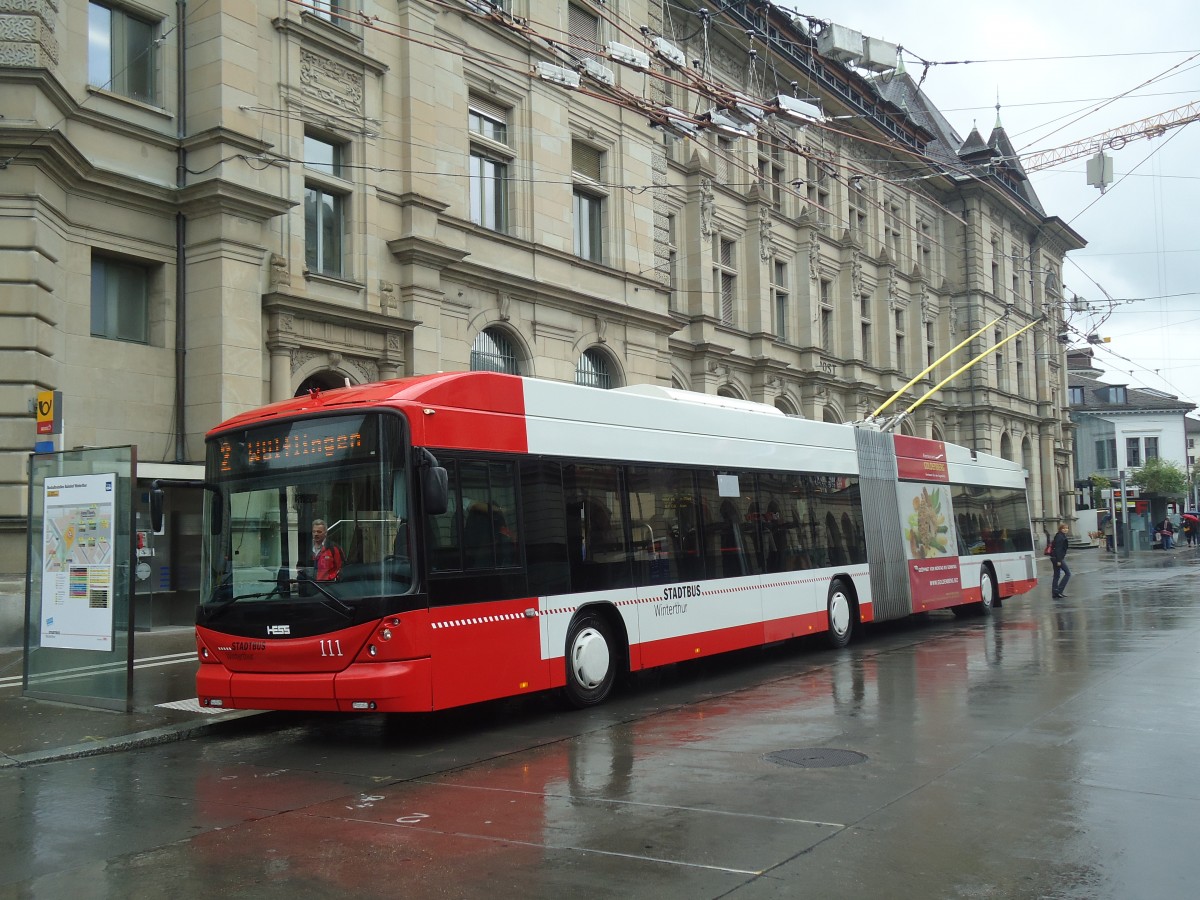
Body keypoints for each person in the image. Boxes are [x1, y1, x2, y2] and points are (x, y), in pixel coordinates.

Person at [1050, 522, 1071, 599]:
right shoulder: (1060, 537)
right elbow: (1058, 549)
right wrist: (1059, 560)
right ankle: (1059, 591)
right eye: (1064, 528)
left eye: (1067, 528)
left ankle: (1055, 592)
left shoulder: (1060, 535)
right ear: (1060, 529)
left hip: (1054, 557)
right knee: (1068, 573)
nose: (1065, 529)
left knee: (1056, 575)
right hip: (1057, 558)